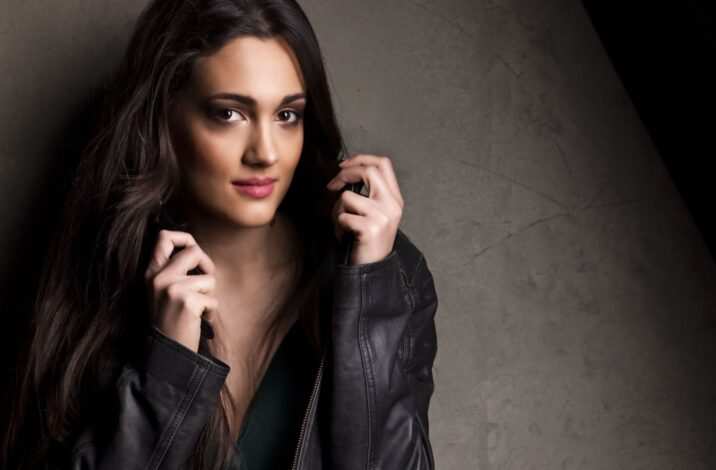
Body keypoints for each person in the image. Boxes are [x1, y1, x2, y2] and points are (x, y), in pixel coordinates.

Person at [0, 0, 439, 469]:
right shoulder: (105, 272)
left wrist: (369, 297)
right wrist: (165, 369)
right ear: (165, 117)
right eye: (229, 114)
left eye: (286, 115)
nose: (265, 153)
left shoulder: (384, 275)